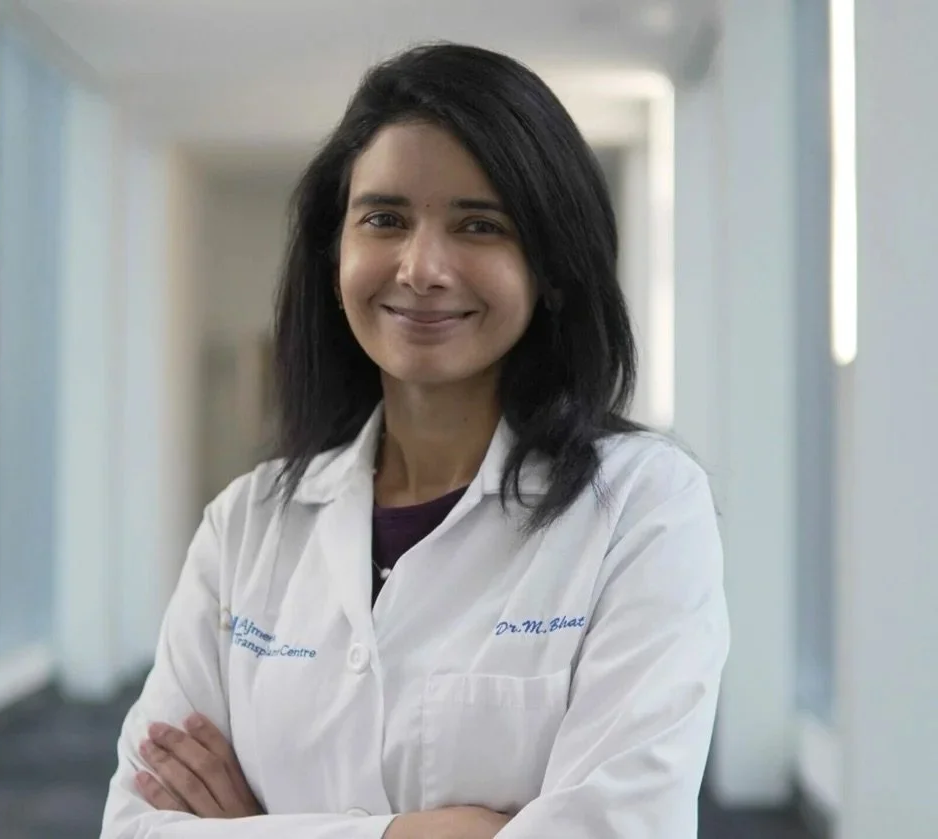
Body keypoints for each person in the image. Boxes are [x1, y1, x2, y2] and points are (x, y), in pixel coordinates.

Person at [100, 42, 728, 839]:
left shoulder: (643, 505)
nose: (423, 266)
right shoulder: (247, 521)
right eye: (386, 219)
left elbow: (621, 828)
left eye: (479, 225)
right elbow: (132, 826)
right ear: (337, 255)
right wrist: (422, 832)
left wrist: (260, 827)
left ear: (553, 269)